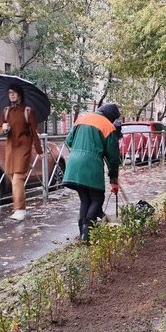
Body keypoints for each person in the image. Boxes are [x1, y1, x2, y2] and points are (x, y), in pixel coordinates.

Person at [63, 103, 122, 243]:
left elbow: (69, 141)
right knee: (97, 199)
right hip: (91, 165)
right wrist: (114, 177)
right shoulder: (108, 126)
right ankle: (87, 230)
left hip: (73, 165)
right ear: (110, 117)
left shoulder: (82, 119)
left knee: (85, 200)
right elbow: (113, 156)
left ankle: (82, 233)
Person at [0, 83, 43, 222]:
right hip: (10, 148)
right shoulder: (6, 111)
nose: (11, 95)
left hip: (23, 148)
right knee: (12, 178)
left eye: (14, 92)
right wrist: (4, 129)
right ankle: (21, 208)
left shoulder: (28, 111)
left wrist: (39, 150)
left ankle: (18, 210)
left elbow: (34, 132)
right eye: (9, 92)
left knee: (18, 179)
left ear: (20, 94)